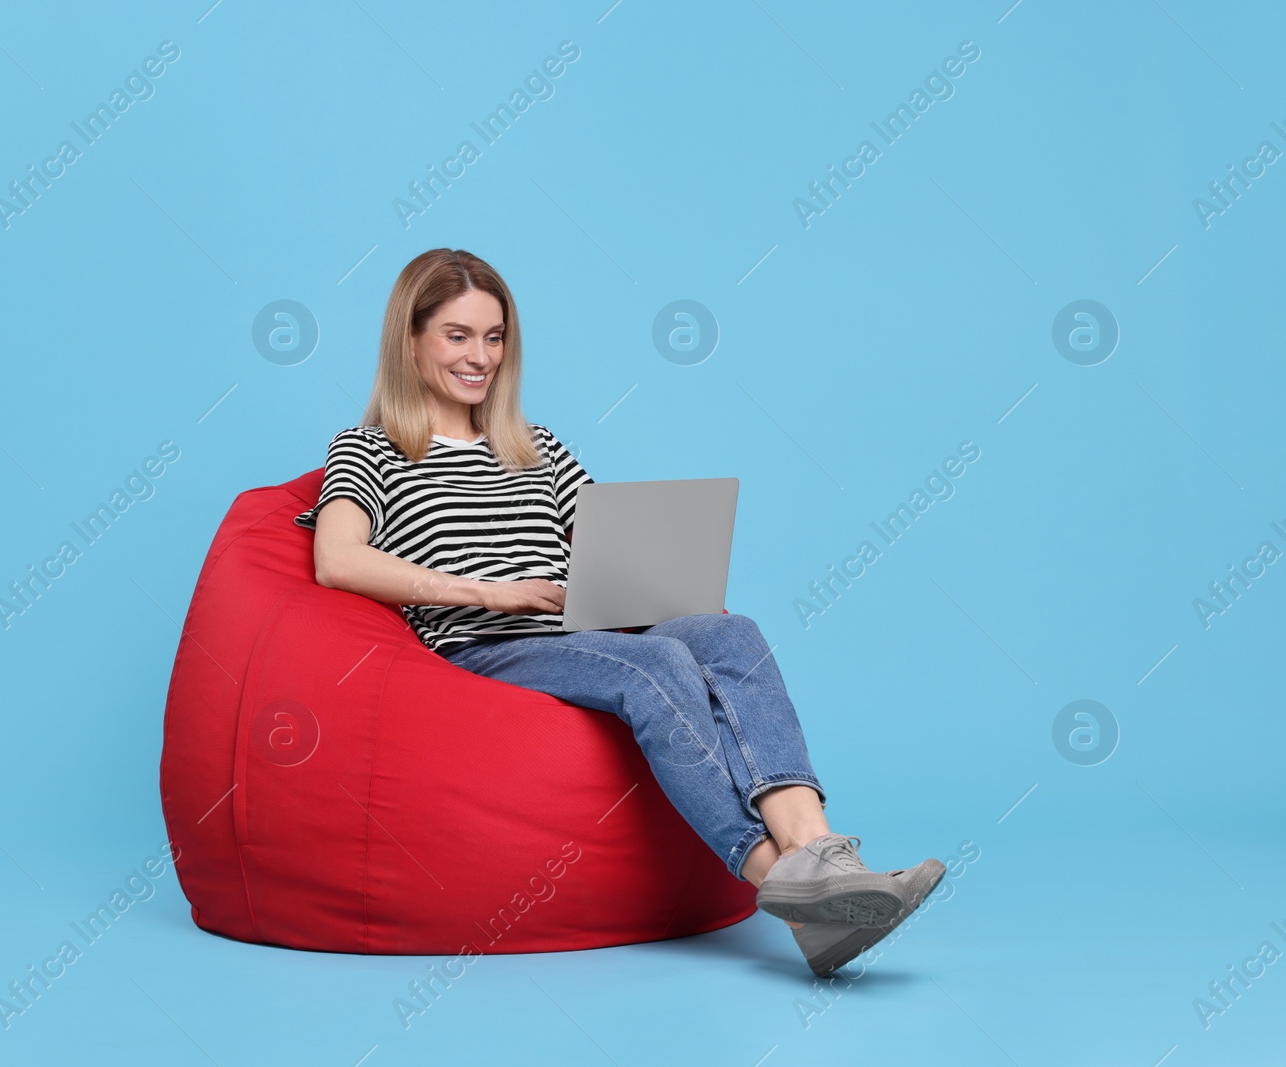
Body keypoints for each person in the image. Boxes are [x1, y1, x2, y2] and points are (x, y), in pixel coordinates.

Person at [293, 248, 943, 977]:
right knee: (660, 662)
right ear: (409, 340)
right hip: (484, 644)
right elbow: (338, 558)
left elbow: (606, 544)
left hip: (580, 629)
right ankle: (779, 882)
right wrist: (495, 590)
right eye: (458, 335)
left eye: (495, 336)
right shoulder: (370, 449)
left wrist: (639, 576)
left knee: (733, 634)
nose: (480, 357)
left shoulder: (535, 448)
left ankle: (820, 854)